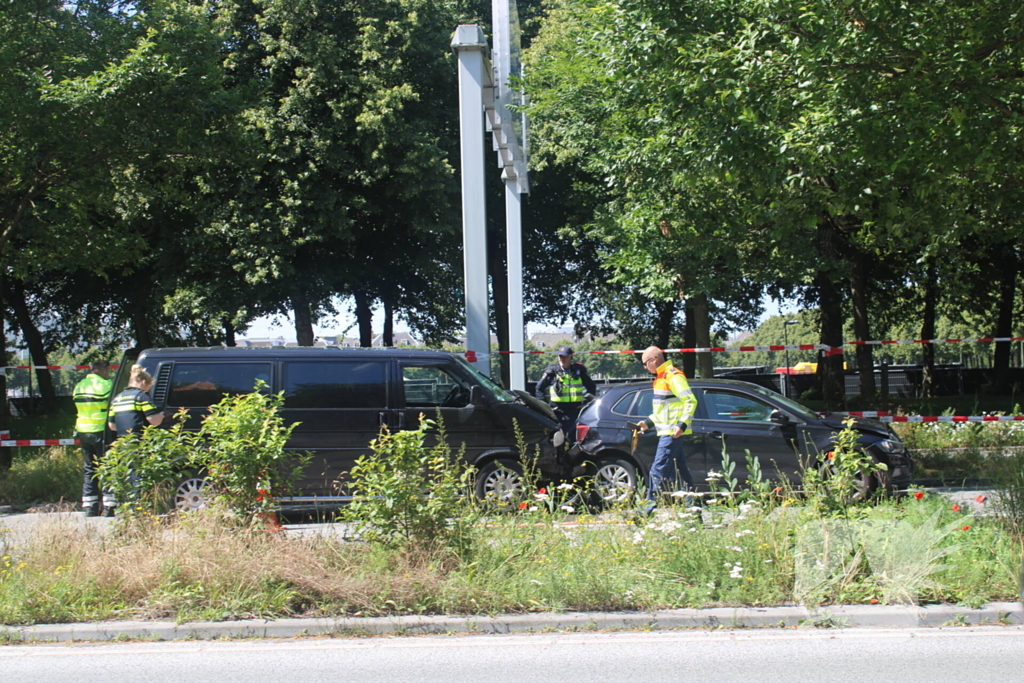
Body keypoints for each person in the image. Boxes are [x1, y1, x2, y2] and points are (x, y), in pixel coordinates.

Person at [637, 346, 698, 507]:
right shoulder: (661, 378)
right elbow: (662, 410)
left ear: (654, 360)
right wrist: (648, 423)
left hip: (672, 433)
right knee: (682, 474)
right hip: (669, 431)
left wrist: (681, 425)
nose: (645, 367)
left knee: (657, 470)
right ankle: (693, 511)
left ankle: (646, 510)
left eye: (645, 363)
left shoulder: (672, 376)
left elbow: (691, 400)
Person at [105, 364, 164, 516]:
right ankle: (139, 509)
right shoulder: (141, 397)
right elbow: (153, 420)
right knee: (138, 476)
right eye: (149, 386)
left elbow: (112, 425)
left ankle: (126, 508)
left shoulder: (117, 399)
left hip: (123, 443)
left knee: (127, 475)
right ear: (143, 383)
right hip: (139, 442)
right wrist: (162, 415)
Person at [72, 360, 113, 517]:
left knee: (90, 468)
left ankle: (90, 507)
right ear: (102, 370)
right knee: (107, 467)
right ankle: (109, 505)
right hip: (100, 430)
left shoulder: (80, 385)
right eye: (107, 370)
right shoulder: (106, 385)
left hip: (83, 429)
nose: (108, 373)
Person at [534, 345, 597, 437]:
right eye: (560, 356)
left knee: (575, 438)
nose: (562, 359)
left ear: (571, 357)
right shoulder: (552, 372)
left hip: (575, 411)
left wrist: (587, 403)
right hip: (557, 412)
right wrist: (544, 408)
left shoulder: (578, 371)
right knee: (557, 438)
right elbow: (539, 388)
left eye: (565, 357)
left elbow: (591, 386)